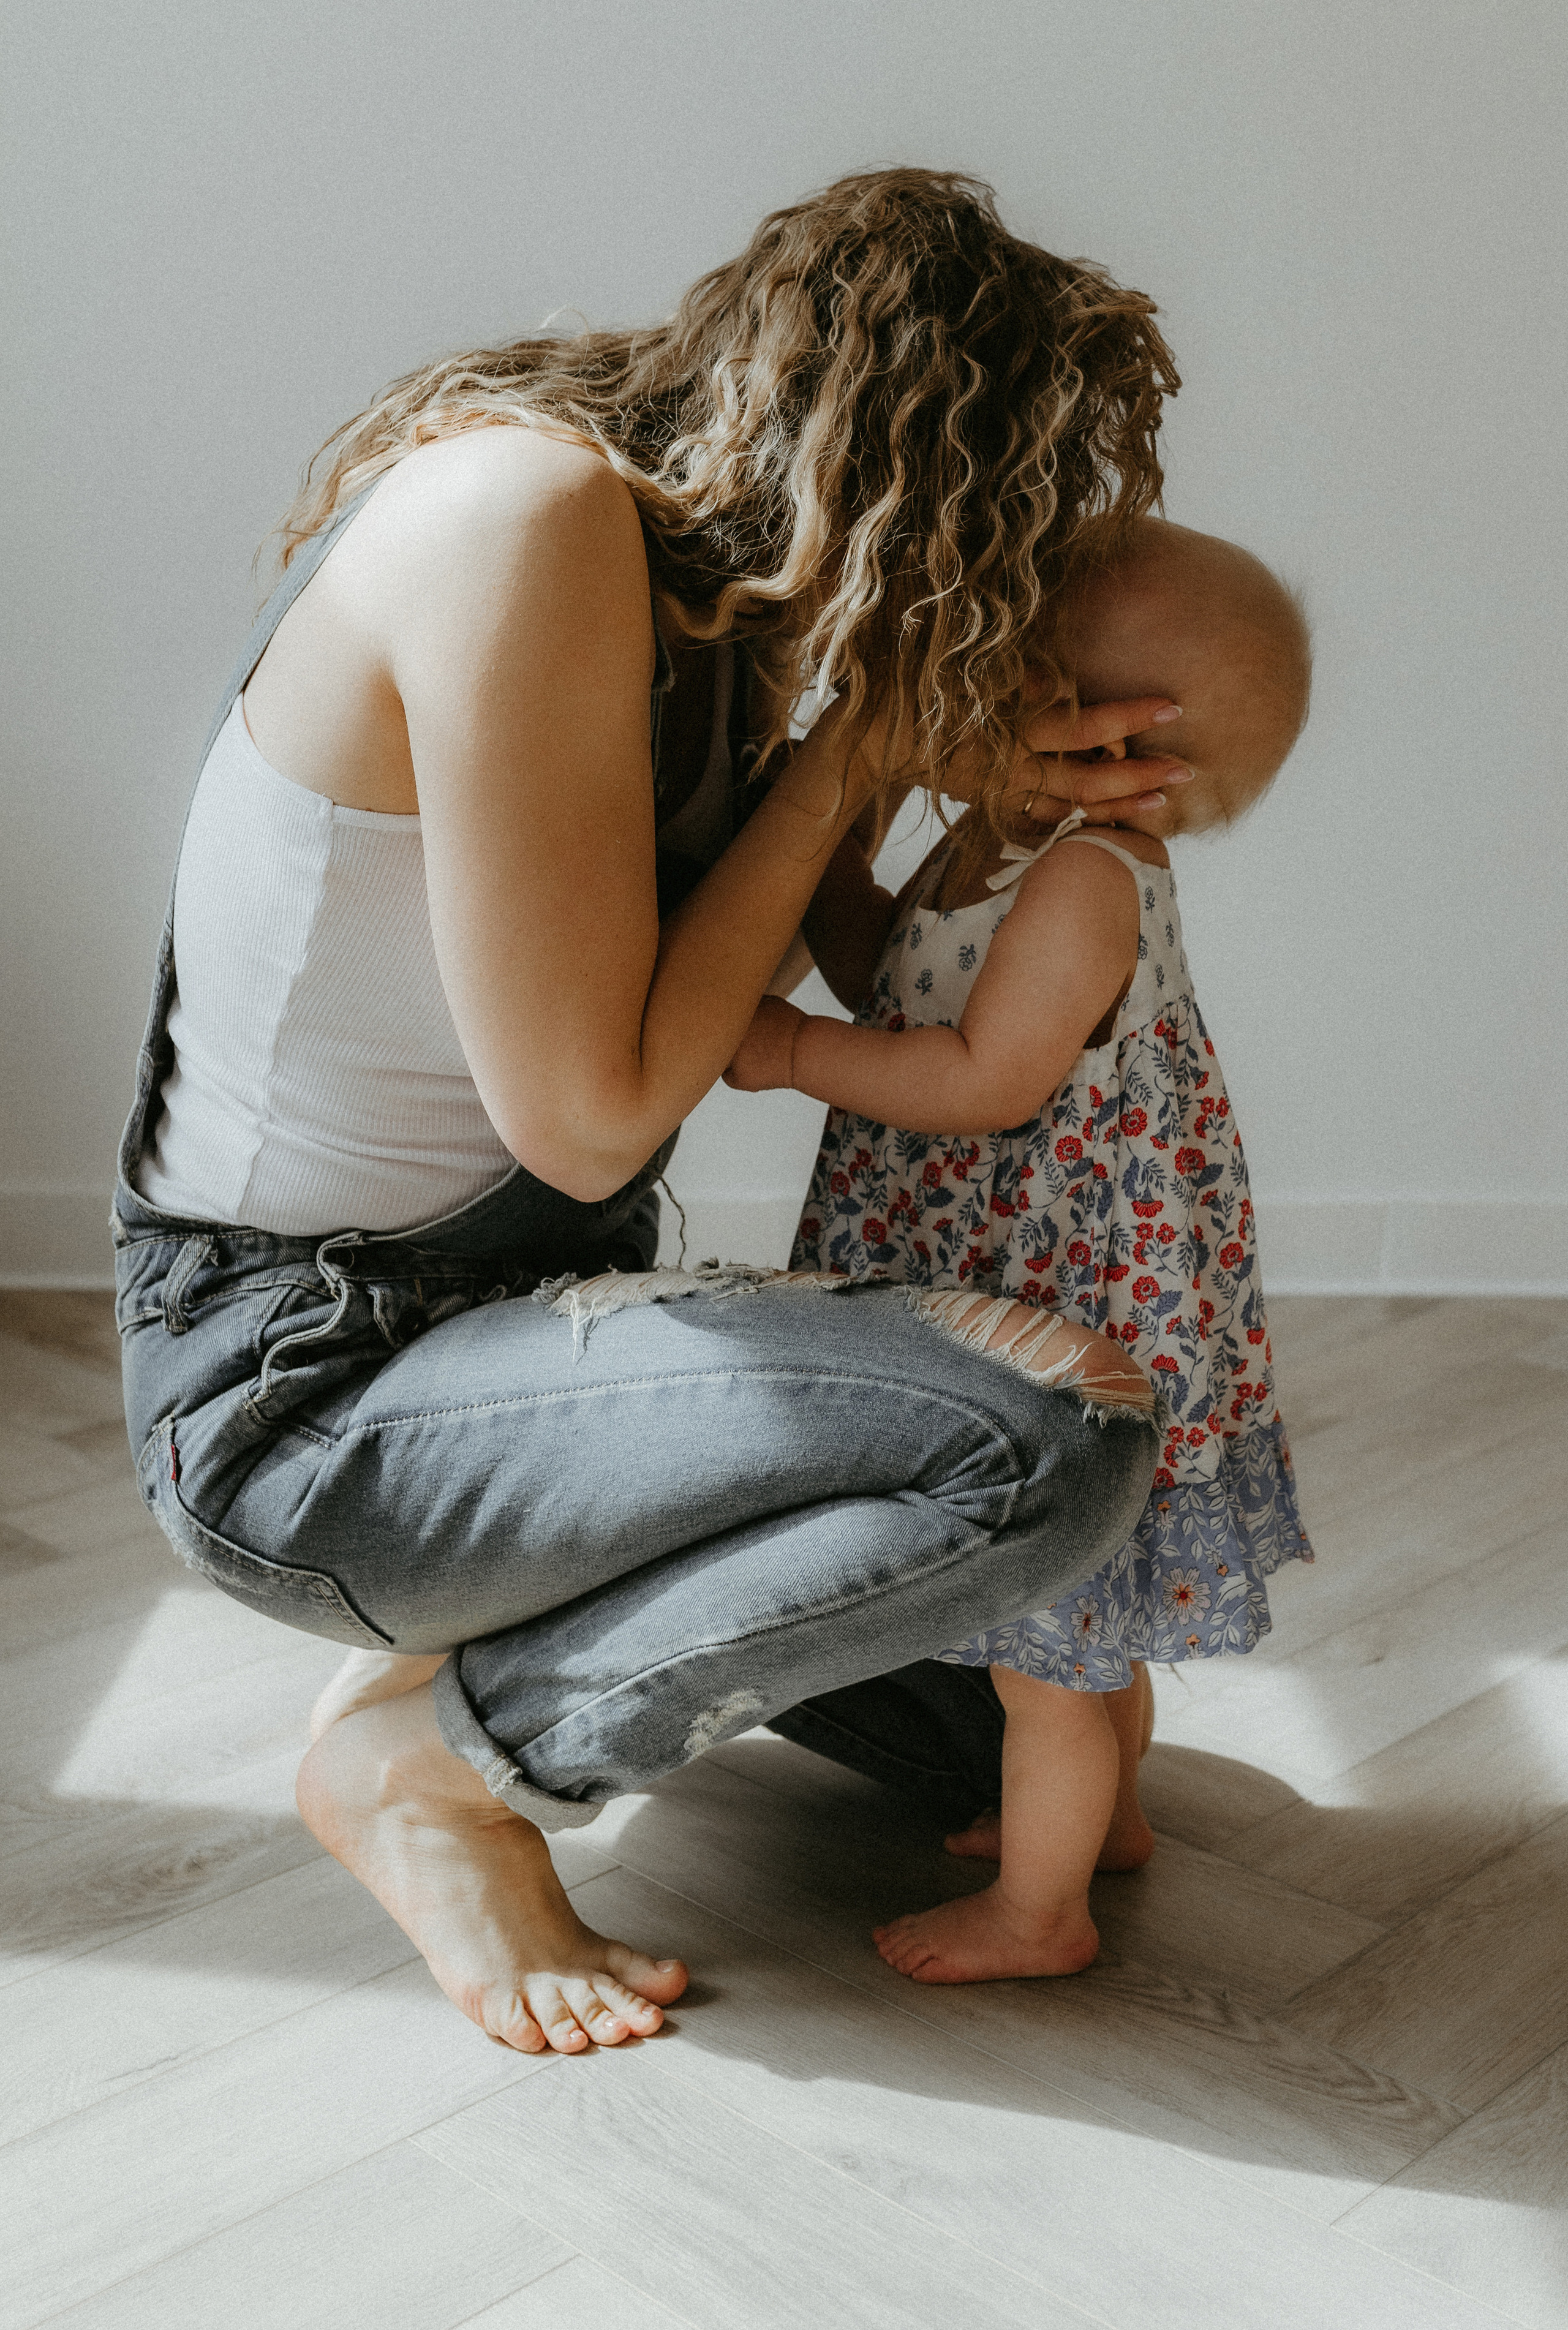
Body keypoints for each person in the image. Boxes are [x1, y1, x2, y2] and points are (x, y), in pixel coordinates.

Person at [115, 169, 1194, 2057]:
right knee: (1053, 1447)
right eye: (1000, 544)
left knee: (1026, 1719)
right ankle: (443, 1763)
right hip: (304, 1390)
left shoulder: (714, 604)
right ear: (912, 492)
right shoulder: (517, 518)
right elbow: (592, 1124)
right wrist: (852, 750)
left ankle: (479, 1642)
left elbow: (851, 978)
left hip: (513, 1329)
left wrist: (997, 805)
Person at [723, 519, 1314, 1981]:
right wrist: (807, 852)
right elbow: (898, 971)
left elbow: (984, 1078)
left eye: (996, 659)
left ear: (1114, 746)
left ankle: (1039, 1911)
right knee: (1079, 1623)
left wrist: (796, 1049)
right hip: (1011, 1269)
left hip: (1054, 1304)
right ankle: (1097, 1826)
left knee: (1042, 1637)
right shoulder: (994, 843)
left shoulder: (1082, 880)